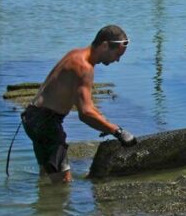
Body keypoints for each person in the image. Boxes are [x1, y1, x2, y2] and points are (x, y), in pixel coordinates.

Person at [21, 25, 137, 183]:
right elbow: (85, 113)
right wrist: (117, 131)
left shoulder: (76, 54)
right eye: (117, 54)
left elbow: (86, 105)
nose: (117, 60)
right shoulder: (84, 68)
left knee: (47, 174)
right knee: (63, 182)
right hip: (46, 124)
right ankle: (58, 206)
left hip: (32, 117)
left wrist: (103, 123)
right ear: (104, 45)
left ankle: (44, 205)